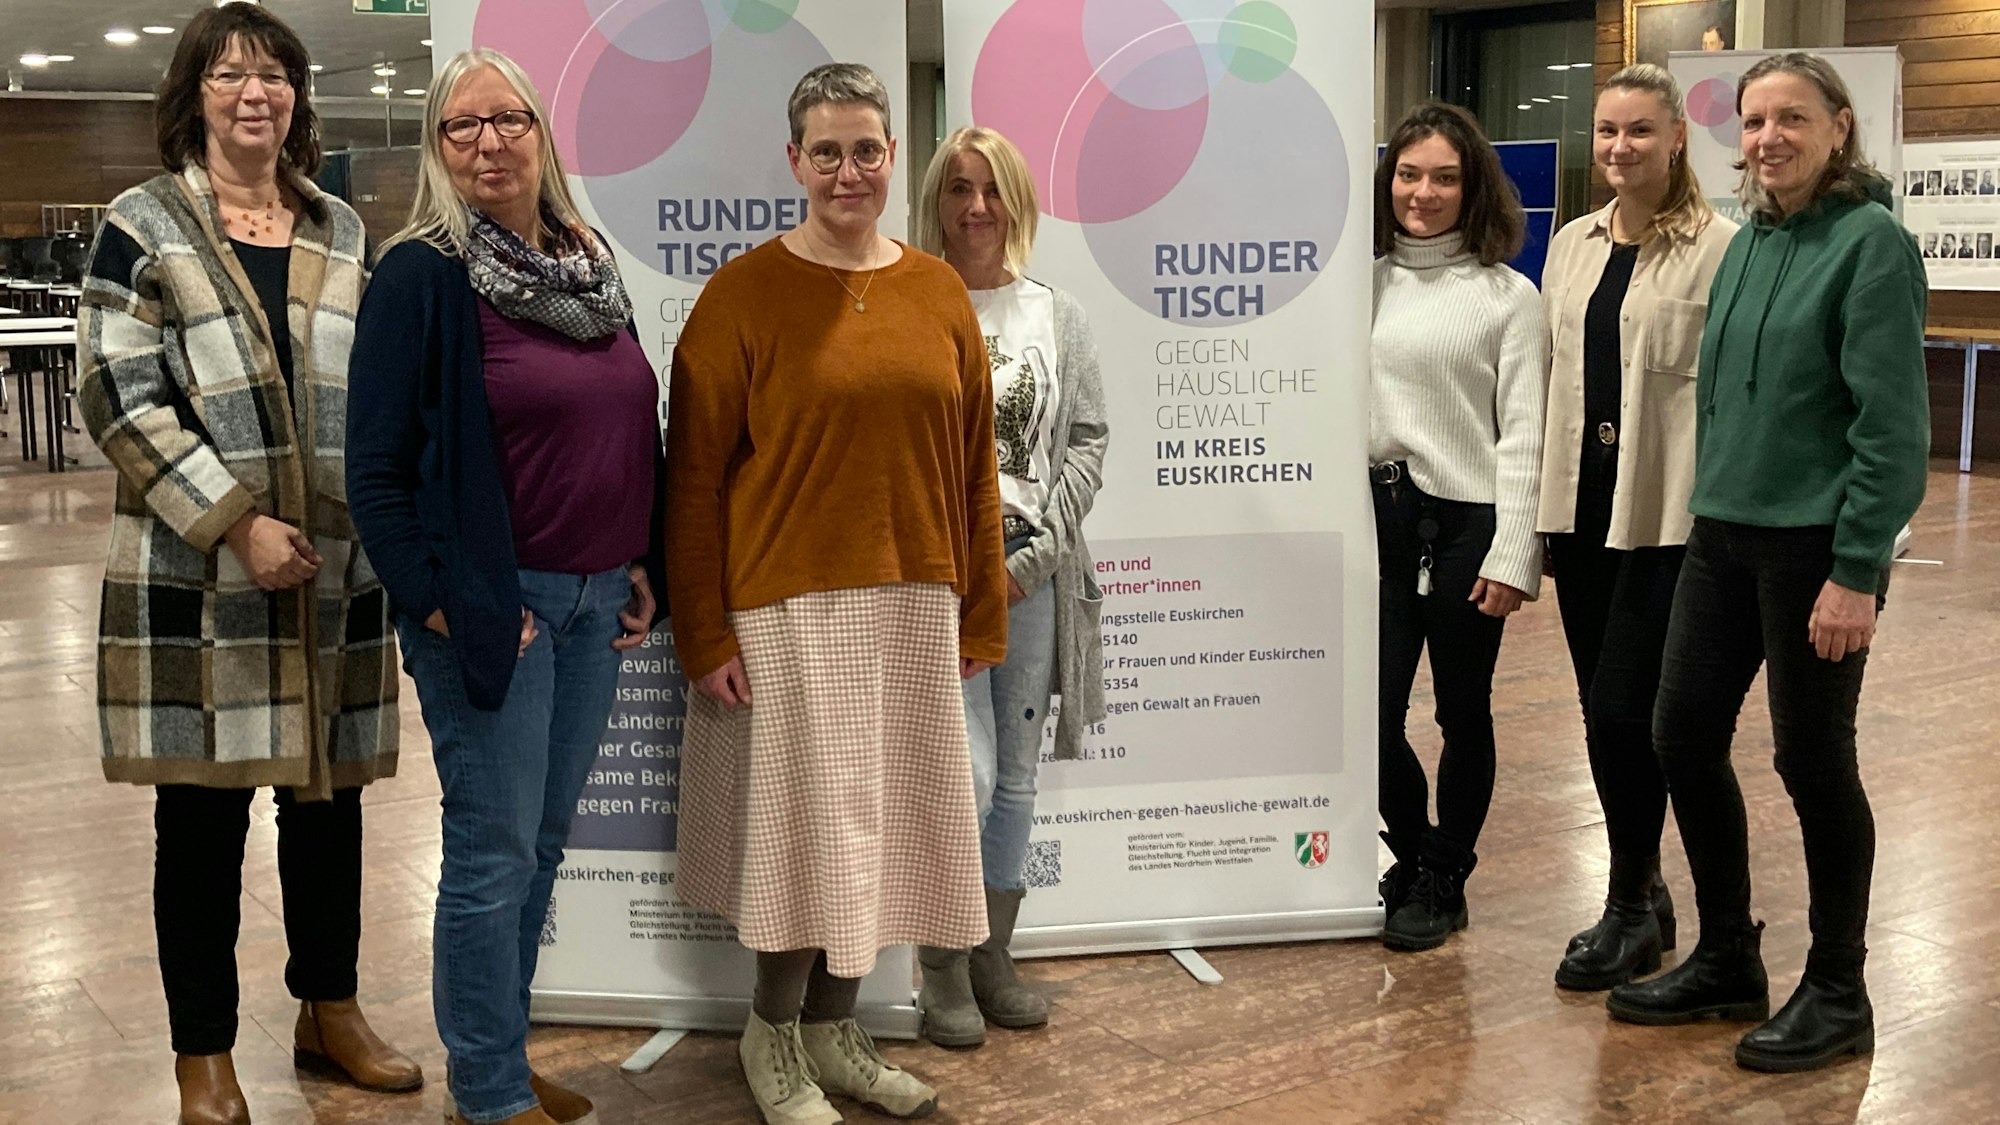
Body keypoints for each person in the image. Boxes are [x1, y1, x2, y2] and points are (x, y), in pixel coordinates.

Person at [74, 6, 419, 1124]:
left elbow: (378, 394)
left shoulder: (339, 228)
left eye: (273, 76)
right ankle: (203, 1056)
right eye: (230, 76)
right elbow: (119, 397)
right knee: (203, 824)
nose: (253, 94)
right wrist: (235, 521)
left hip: (332, 570)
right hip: (198, 581)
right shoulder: (144, 223)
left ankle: (329, 1009)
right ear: (196, 95)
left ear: (297, 100)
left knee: (330, 811)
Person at [664, 63, 1006, 1125]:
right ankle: (770, 1039)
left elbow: (973, 467)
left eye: (866, 149)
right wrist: (702, 631)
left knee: (889, 833)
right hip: (782, 614)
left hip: (913, 606)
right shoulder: (740, 295)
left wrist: (980, 612)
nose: (848, 170)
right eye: (827, 151)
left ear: (890, 155)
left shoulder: (938, 291)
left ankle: (834, 1032)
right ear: (793, 161)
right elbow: (694, 478)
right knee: (800, 841)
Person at [345, 48, 663, 1125]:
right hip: (496, 609)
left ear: (541, 132)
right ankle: (482, 1092)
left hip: (591, 603)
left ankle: (504, 1059)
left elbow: (623, 426)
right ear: (439, 150)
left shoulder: (585, 260)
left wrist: (639, 563)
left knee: (541, 845)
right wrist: (440, 601)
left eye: (508, 119)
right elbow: (376, 471)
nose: (488, 141)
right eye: (461, 126)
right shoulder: (421, 275)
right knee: (490, 850)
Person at [1606, 52, 1929, 1075]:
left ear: (1838, 127)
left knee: (1809, 760)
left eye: (1790, 118)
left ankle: (1837, 988)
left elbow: (1892, 432)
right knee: (1679, 737)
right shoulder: (1748, 240)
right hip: (1722, 532)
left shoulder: (1870, 245)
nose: (1766, 139)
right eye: (1750, 122)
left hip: (1811, 551)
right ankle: (1727, 956)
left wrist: (1855, 569)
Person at [1537, 64, 1738, 991]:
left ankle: (1629, 904)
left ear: (1677, 139)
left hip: (1666, 516)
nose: (1621, 148)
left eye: (1641, 131)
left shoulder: (1720, 247)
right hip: (1580, 513)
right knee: (1599, 710)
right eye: (1608, 131)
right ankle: (1643, 890)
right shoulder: (1571, 242)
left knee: (1633, 710)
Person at [910, 125, 1109, 1047]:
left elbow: (1088, 440)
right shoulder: (912, 302)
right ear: (937, 202)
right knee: (965, 773)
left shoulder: (1055, 315)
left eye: (992, 189)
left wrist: (1031, 559)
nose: (975, 207)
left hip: (1035, 576)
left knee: (1016, 778)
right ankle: (942, 958)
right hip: (940, 580)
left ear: (1016, 201)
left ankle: (994, 952)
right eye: (959, 188)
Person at [1370, 102, 1547, 953]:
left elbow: (1525, 433)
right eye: (1409, 174)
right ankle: (1410, 856)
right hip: (1377, 521)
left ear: (1473, 185)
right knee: (1369, 713)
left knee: (1461, 712)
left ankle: (1447, 871)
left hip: (1469, 523)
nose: (1424, 192)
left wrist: (1517, 548)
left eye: (1444, 176)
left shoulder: (1508, 296)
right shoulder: (1356, 283)